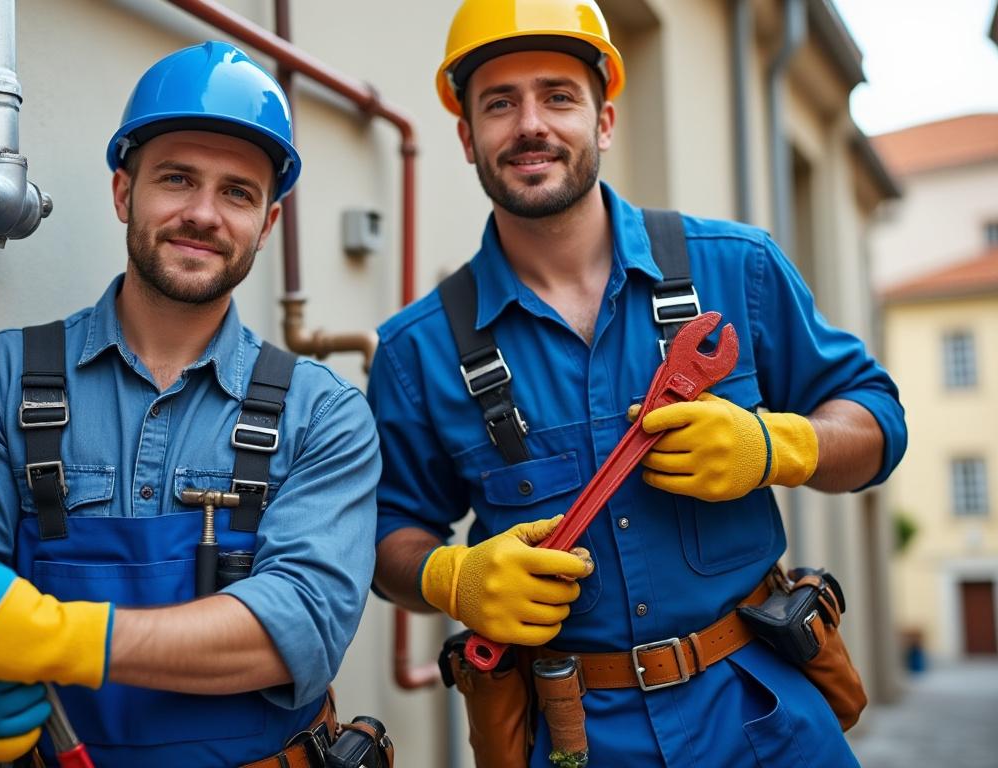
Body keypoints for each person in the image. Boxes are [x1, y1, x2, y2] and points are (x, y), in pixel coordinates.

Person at [368, 1, 906, 766]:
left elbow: (880, 420)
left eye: (558, 95)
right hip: (575, 741)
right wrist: (447, 575)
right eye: (499, 103)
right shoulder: (414, 352)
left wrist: (777, 445)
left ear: (605, 120)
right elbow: (387, 536)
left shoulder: (737, 267)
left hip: (767, 721)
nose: (530, 124)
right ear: (466, 137)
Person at [0, 41, 381, 767]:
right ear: (124, 192)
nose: (204, 214)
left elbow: (300, 626)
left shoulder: (323, 415)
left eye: (238, 192)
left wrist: (54, 636)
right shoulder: (3, 378)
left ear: (267, 225)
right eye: (177, 179)